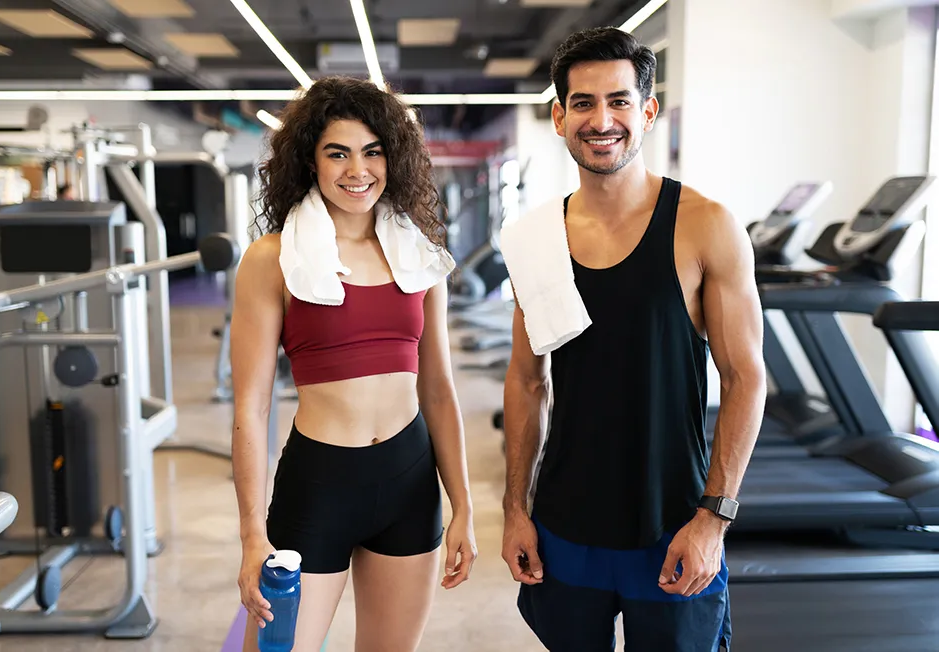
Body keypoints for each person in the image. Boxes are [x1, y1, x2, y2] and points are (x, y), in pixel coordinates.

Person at [498, 27, 766, 651]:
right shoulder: (535, 238)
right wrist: (516, 508)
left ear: (647, 110)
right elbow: (525, 380)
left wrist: (713, 518)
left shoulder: (706, 226)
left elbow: (745, 377)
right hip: (565, 525)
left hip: (672, 525)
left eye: (619, 101)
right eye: (584, 103)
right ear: (560, 116)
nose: (602, 120)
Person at [231, 76, 477, 652]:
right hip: (318, 485)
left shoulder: (419, 255)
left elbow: (438, 390)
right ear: (309, 161)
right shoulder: (273, 260)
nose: (356, 169)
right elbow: (251, 404)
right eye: (336, 152)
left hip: (409, 481)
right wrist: (250, 532)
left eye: (372, 151)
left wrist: (463, 503)